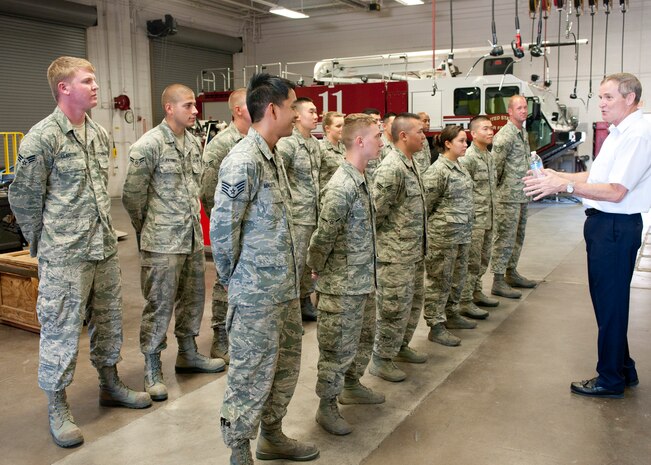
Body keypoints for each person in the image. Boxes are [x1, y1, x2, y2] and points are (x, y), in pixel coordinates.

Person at [9, 56, 151, 448]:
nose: (95, 86)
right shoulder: (42, 138)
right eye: (87, 81)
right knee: (61, 329)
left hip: (102, 246)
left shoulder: (99, 134)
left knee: (108, 320)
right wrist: (44, 242)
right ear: (64, 88)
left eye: (95, 80)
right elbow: (24, 198)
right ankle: (58, 405)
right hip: (65, 253)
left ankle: (110, 383)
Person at [210, 73, 319, 464]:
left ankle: (272, 435)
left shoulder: (274, 156)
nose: (296, 115)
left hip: (285, 290)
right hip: (256, 296)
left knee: (285, 370)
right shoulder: (242, 161)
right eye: (292, 107)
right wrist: (239, 282)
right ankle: (239, 452)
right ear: (272, 109)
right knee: (250, 376)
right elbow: (222, 235)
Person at [524, 73, 651, 398]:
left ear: (631, 98)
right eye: (601, 97)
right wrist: (559, 175)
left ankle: (609, 379)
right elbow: (597, 176)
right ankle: (623, 368)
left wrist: (564, 186)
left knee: (610, 305)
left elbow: (615, 191)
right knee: (610, 303)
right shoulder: (620, 133)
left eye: (608, 97)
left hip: (614, 227)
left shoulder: (637, 134)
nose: (601, 104)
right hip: (605, 227)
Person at [122, 84, 225, 403]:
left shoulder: (193, 142)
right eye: (189, 105)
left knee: (193, 298)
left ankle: (188, 352)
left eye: (195, 105)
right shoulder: (149, 145)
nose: (196, 111)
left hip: (191, 237)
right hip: (162, 241)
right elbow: (132, 196)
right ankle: (153, 367)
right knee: (159, 304)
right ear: (169, 108)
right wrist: (150, 229)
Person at [308, 113, 385, 436]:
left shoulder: (361, 177)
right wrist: (317, 270)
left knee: (363, 340)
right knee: (336, 349)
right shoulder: (341, 185)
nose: (382, 142)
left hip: (363, 281)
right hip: (342, 286)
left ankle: (352, 385)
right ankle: (327, 406)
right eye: (377, 136)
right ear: (359, 141)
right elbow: (323, 237)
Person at [370, 112, 428, 382]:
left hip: (413, 252)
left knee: (411, 305)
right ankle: (381, 359)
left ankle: (400, 347)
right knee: (393, 309)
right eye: (419, 131)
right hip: (394, 256)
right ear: (403, 135)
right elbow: (375, 214)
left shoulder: (410, 163)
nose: (424, 135)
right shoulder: (392, 167)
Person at [200, 88, 251, 364]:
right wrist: (226, 225)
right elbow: (208, 192)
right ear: (238, 110)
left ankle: (239, 333)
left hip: (251, 229)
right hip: (230, 227)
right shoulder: (222, 145)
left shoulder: (255, 141)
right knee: (225, 281)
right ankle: (220, 338)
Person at [422, 125, 478, 347]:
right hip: (443, 236)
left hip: (462, 233)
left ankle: (451, 313)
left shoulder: (460, 166)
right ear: (447, 143)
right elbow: (426, 205)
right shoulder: (438, 171)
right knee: (439, 281)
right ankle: (435, 325)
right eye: (462, 141)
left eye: (466, 141)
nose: (466, 145)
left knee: (457, 277)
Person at [277, 97, 321, 322]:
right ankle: (291, 312)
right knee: (294, 266)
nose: (316, 116)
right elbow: (279, 180)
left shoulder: (314, 143)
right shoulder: (287, 144)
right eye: (311, 112)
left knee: (308, 264)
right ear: (297, 115)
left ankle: (305, 301)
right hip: (296, 216)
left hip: (312, 214)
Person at [490, 95, 537, 299]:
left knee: (518, 236)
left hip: (522, 194)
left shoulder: (522, 132)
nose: (523, 111)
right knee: (505, 238)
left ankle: (511, 272)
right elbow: (495, 167)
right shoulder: (505, 135)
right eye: (519, 108)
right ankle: (498, 280)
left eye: (525, 107)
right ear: (510, 111)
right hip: (507, 196)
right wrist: (500, 190)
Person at [459, 116, 500, 315]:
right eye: (485, 129)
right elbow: (462, 190)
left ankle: (476, 292)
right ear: (473, 134)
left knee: (483, 259)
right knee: (471, 262)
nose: (491, 131)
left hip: (489, 217)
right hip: (474, 220)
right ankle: (464, 301)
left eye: (491, 128)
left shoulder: (489, 156)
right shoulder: (468, 158)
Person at [319, 111, 345, 187]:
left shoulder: (345, 147)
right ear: (327, 128)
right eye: (338, 126)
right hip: (327, 195)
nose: (342, 129)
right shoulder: (320, 148)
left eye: (344, 126)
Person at [362, 108, 382, 180]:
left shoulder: (379, 141)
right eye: (375, 120)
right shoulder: (360, 143)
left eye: (379, 120)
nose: (379, 123)